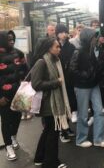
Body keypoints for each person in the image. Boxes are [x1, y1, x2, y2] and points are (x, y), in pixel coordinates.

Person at [31, 37, 71, 168]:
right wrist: (56, 82)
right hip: (49, 104)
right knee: (52, 134)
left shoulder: (55, 61)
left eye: (59, 46)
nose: (59, 49)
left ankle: (40, 158)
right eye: (56, 47)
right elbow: (36, 84)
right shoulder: (42, 62)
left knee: (48, 131)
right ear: (49, 48)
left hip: (52, 103)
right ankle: (51, 163)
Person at [70, 28, 104, 148]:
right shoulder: (79, 51)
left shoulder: (90, 50)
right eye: (93, 37)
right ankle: (81, 139)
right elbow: (72, 70)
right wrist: (87, 75)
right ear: (88, 38)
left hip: (92, 84)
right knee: (83, 114)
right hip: (83, 86)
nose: (95, 39)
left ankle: (98, 139)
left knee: (99, 111)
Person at [0, 30, 28, 161]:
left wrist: (25, 84)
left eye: (13, 38)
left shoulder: (19, 53)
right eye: (9, 39)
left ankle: (13, 136)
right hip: (4, 97)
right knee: (6, 121)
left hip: (18, 94)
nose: (12, 40)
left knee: (17, 118)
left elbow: (26, 70)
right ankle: (8, 146)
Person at [55, 24, 77, 143]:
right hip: (58, 79)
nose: (64, 34)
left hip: (68, 79)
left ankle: (66, 127)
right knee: (60, 105)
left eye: (65, 32)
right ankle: (61, 131)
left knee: (68, 103)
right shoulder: (53, 45)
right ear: (57, 34)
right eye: (62, 32)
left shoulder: (70, 46)